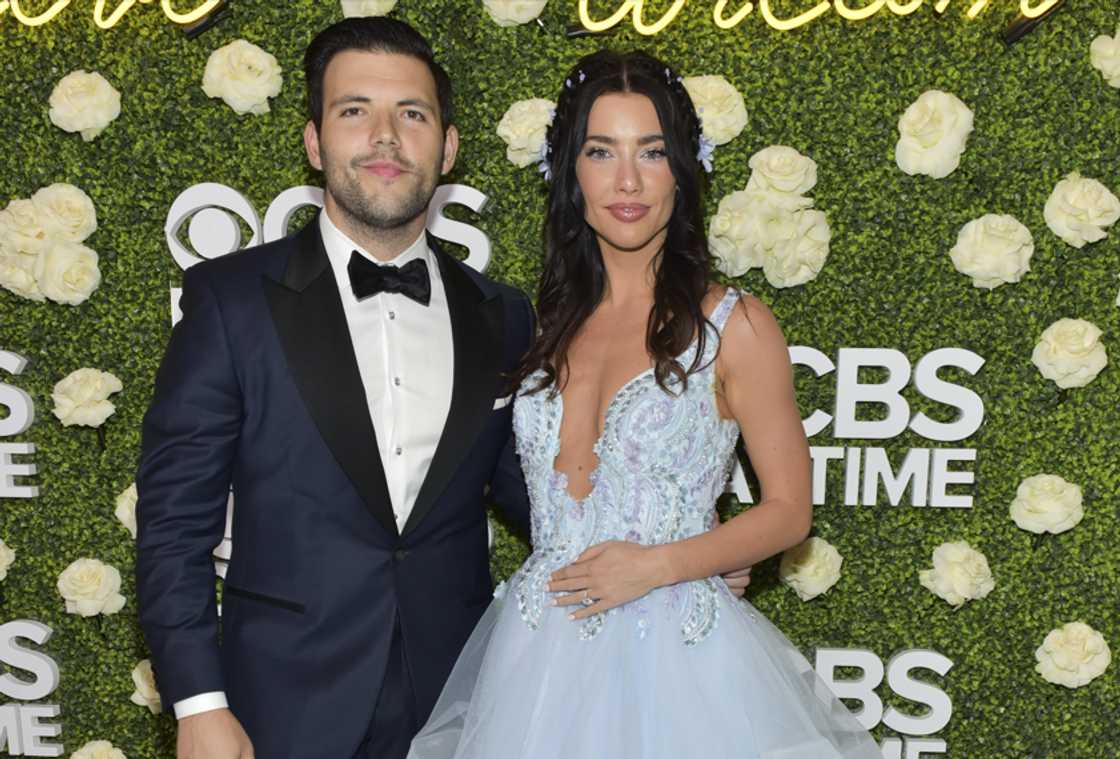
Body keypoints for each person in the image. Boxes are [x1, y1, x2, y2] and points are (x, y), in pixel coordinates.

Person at [406, 50, 882, 758]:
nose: (626, 180)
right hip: (535, 659)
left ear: (683, 172)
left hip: (680, 663)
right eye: (601, 151)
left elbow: (789, 510)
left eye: (652, 152)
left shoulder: (735, 326)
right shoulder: (546, 326)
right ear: (571, 172)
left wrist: (665, 561)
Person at [134, 17, 537, 759]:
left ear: (446, 147)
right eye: (355, 111)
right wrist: (197, 703)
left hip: (457, 703)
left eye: (411, 114)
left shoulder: (503, 314)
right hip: (278, 707)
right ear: (316, 141)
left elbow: (534, 489)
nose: (385, 136)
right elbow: (173, 523)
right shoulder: (232, 300)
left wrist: (682, 551)